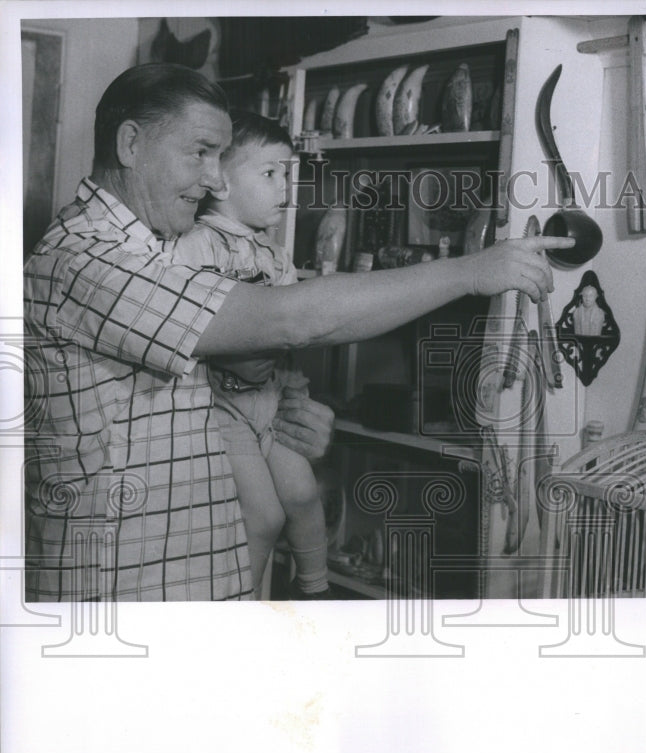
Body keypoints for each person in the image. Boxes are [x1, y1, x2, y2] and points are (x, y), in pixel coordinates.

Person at [23, 63, 570, 601]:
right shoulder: (87, 259)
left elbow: (190, 396)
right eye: (200, 152)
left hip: (185, 589)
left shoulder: (158, 249)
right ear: (131, 145)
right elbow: (292, 319)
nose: (216, 179)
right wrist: (470, 271)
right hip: (122, 609)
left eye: (221, 157)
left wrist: (292, 417)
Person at [171, 111, 328, 599]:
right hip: (224, 411)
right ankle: (236, 610)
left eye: (287, 173)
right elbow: (180, 326)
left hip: (273, 402)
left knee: (303, 493)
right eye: (269, 173)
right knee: (264, 516)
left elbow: (292, 334)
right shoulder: (196, 246)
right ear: (219, 180)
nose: (285, 187)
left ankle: (316, 591)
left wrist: (295, 386)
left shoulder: (275, 255)